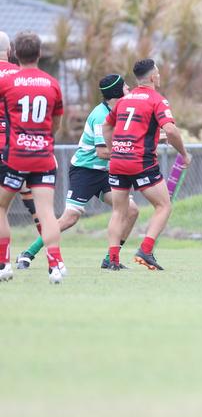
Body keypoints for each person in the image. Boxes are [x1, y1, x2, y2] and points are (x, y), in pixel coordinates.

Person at [17, 74, 140, 270]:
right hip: (85, 171)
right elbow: (102, 152)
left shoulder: (119, 111)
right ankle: (28, 253)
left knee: (132, 211)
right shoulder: (101, 116)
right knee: (70, 218)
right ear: (117, 93)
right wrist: (132, 153)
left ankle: (111, 258)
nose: (130, 90)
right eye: (126, 87)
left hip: (105, 173)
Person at [103, 59, 191, 271]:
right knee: (163, 205)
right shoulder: (157, 100)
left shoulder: (124, 100)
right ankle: (146, 249)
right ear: (152, 77)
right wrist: (184, 154)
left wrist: (114, 148)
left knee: (118, 211)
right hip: (140, 162)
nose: (159, 76)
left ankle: (112, 259)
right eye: (158, 73)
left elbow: (107, 125)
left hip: (118, 161)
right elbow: (170, 130)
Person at [0, 31, 65, 283]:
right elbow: (56, 123)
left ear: (15, 53)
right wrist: (42, 138)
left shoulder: (9, 82)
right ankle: (55, 266)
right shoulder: (51, 83)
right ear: (39, 54)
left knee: (1, 207)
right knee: (46, 211)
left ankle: (4, 264)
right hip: (43, 155)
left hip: (16, 156)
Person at [0, 31, 42, 241]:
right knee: (31, 197)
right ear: (9, 51)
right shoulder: (21, 76)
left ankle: (3, 259)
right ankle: (51, 253)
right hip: (17, 145)